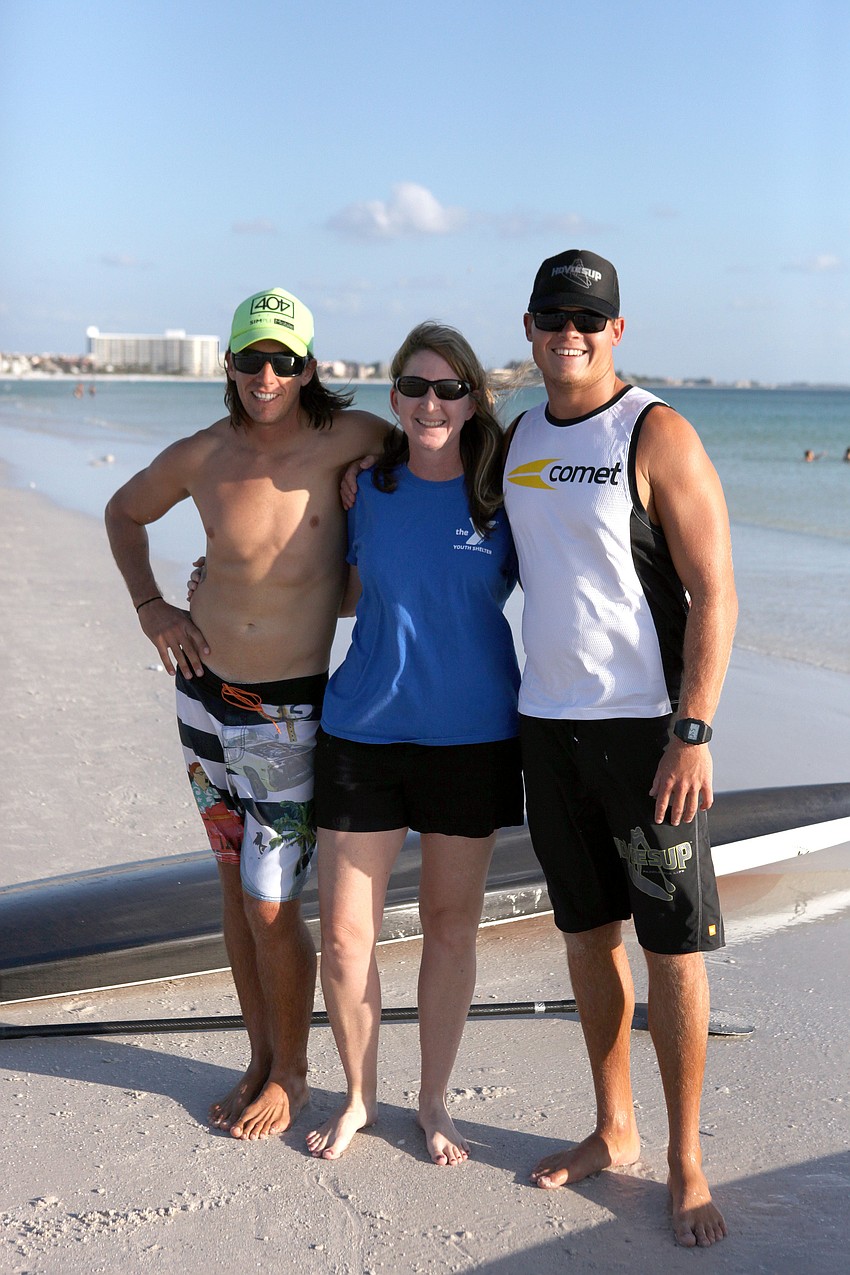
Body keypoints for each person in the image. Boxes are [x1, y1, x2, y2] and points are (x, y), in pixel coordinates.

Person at [105, 288, 386, 1141]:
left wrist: (374, 527)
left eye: (284, 361)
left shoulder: (356, 438)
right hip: (201, 699)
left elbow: (444, 449)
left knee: (272, 904)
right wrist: (153, 606)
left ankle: (294, 1073)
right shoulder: (203, 455)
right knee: (234, 888)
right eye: (253, 359)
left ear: (309, 368)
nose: (268, 376)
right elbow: (123, 511)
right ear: (229, 364)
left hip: (287, 717)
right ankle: (261, 1055)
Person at [502, 250, 738, 1247]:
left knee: (671, 948)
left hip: (648, 734)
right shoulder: (515, 437)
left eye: (589, 319)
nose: (571, 333)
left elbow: (714, 591)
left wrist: (693, 730)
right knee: (587, 934)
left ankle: (685, 1158)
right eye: (554, 315)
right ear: (528, 326)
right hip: (547, 729)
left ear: (616, 331)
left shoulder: (655, 430)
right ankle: (614, 1126)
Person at [305, 322, 524, 1167]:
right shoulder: (365, 486)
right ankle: (359, 1095)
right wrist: (221, 589)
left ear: (472, 400)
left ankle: (433, 1099)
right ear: (395, 397)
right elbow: (337, 587)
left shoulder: (503, 494)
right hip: (361, 731)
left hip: (472, 738)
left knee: (449, 927)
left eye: (448, 388)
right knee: (343, 937)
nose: (431, 402)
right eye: (415, 387)